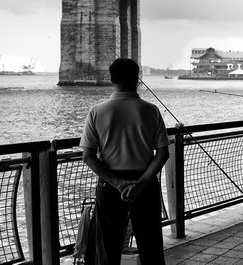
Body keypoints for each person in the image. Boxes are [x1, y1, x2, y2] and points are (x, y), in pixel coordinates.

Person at [80, 58, 170, 264]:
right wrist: (140, 184)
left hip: (110, 186)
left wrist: (118, 183)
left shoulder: (97, 111)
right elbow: (162, 153)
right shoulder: (151, 110)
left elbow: (88, 155)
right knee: (151, 247)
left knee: (107, 248)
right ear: (137, 78)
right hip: (145, 185)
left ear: (111, 79)